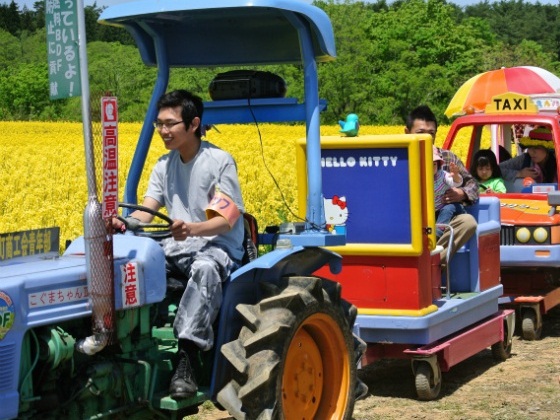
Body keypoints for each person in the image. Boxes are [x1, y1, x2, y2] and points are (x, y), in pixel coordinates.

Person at [113, 90, 245, 400]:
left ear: (194, 123)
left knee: (204, 268)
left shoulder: (218, 161)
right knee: (130, 257)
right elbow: (147, 210)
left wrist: (193, 228)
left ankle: (186, 357)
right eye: (159, 124)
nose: (163, 131)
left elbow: (226, 218)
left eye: (170, 124)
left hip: (217, 246)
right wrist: (126, 222)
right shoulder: (163, 165)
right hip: (178, 245)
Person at [405, 105, 479, 264]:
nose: (426, 138)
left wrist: (462, 193)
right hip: (410, 220)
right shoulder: (400, 158)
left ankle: (432, 264)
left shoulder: (447, 157)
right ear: (407, 132)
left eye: (431, 134)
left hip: (441, 219)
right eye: (420, 133)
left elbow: (472, 184)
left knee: (468, 222)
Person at [433, 145, 466, 238]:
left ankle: (438, 233)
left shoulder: (443, 175)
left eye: (434, 164)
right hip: (432, 210)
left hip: (449, 206)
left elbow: (455, 183)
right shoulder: (418, 177)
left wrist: (455, 175)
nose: (431, 167)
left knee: (447, 209)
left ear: (438, 165)